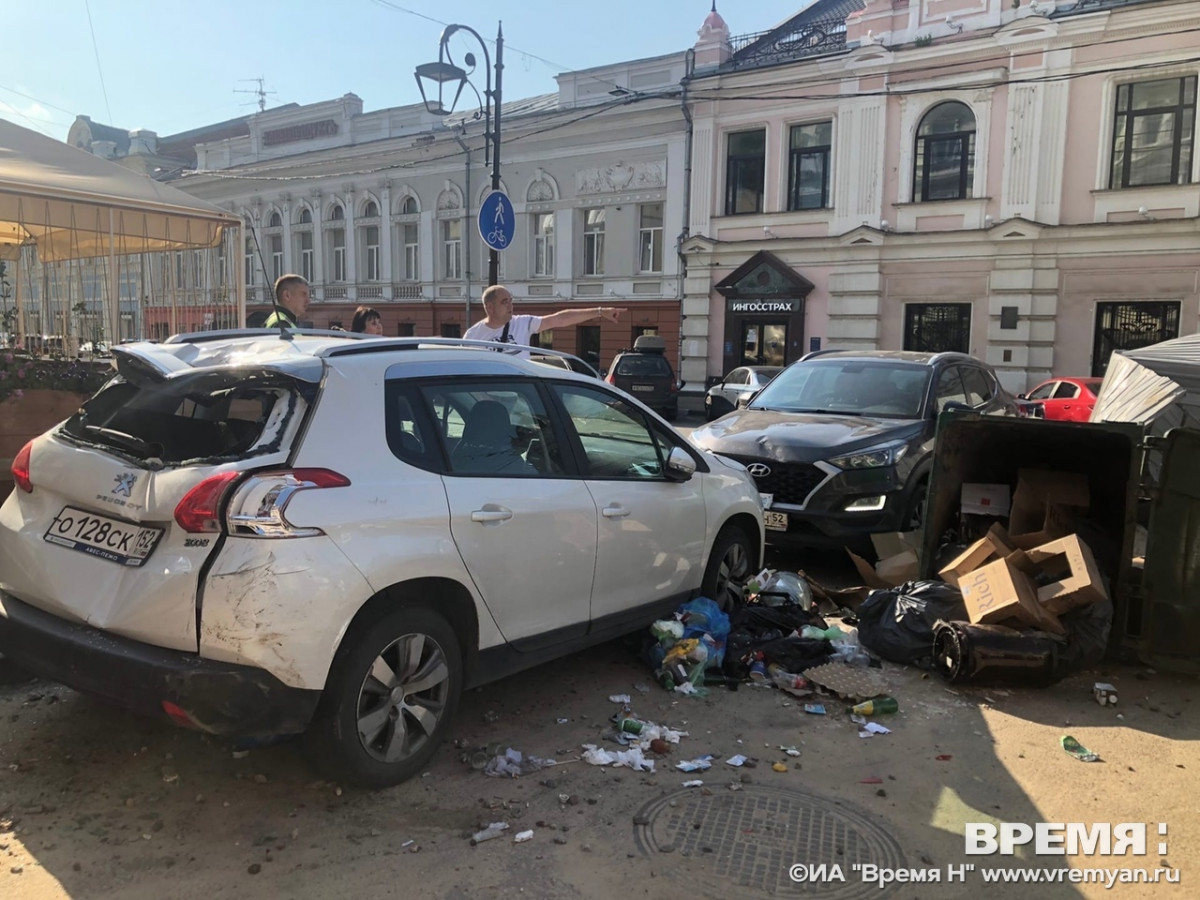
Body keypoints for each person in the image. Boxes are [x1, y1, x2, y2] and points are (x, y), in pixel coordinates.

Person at [463, 284, 625, 359]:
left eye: (511, 301)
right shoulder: (473, 336)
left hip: (519, 396)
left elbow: (559, 319)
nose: (511, 306)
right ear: (489, 307)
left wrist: (600, 312)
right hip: (488, 400)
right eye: (505, 302)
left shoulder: (522, 323)